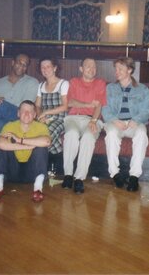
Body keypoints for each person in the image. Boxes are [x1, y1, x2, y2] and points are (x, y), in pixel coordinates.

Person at [0, 100, 51, 203]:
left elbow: (47, 141)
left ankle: (38, 189)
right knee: (3, 148)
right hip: (12, 171)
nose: (26, 114)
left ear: (34, 115)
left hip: (32, 173)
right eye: (23, 111)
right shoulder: (10, 126)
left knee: (41, 148)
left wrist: (19, 140)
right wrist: (26, 146)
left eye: (30, 111)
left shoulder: (41, 127)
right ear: (18, 113)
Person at [102, 57, 149, 192]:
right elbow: (104, 108)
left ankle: (134, 176)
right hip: (115, 122)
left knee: (141, 133)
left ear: (129, 70)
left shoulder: (142, 89)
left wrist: (135, 120)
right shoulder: (110, 88)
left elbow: (146, 111)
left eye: (120, 69)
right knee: (111, 134)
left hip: (133, 123)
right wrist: (114, 120)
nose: (116, 72)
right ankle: (115, 174)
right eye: (115, 69)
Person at [61, 58, 107, 194]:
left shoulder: (100, 83)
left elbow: (99, 105)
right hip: (74, 117)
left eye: (94, 67)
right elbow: (69, 103)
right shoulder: (74, 82)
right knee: (71, 135)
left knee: (88, 137)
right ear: (81, 69)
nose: (91, 69)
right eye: (88, 66)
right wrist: (87, 105)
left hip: (92, 119)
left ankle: (79, 178)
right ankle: (68, 175)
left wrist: (93, 120)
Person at [0, 54, 39, 159]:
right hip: (2, 119)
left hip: (21, 116)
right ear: (13, 62)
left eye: (25, 65)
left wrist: (1, 105)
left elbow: (25, 107)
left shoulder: (32, 82)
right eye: (19, 62)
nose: (21, 66)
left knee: (1, 105)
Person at [34, 57, 69, 171]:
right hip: (44, 118)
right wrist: (40, 117)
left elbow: (65, 106)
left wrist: (46, 113)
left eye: (48, 66)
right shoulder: (40, 85)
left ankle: (37, 168)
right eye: (42, 67)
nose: (45, 69)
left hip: (60, 119)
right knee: (34, 132)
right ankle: (58, 168)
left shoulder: (63, 83)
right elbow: (37, 106)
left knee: (46, 134)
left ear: (54, 68)